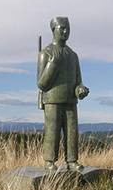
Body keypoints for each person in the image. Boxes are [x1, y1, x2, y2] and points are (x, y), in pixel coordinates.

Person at [37, 16, 89, 173]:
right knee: (52, 131)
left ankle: (72, 161)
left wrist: (80, 89)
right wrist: (53, 64)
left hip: (70, 100)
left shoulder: (73, 55)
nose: (66, 32)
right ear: (54, 30)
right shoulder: (46, 53)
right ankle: (49, 161)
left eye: (68, 28)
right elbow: (42, 83)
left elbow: (78, 80)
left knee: (72, 131)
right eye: (62, 28)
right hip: (52, 100)